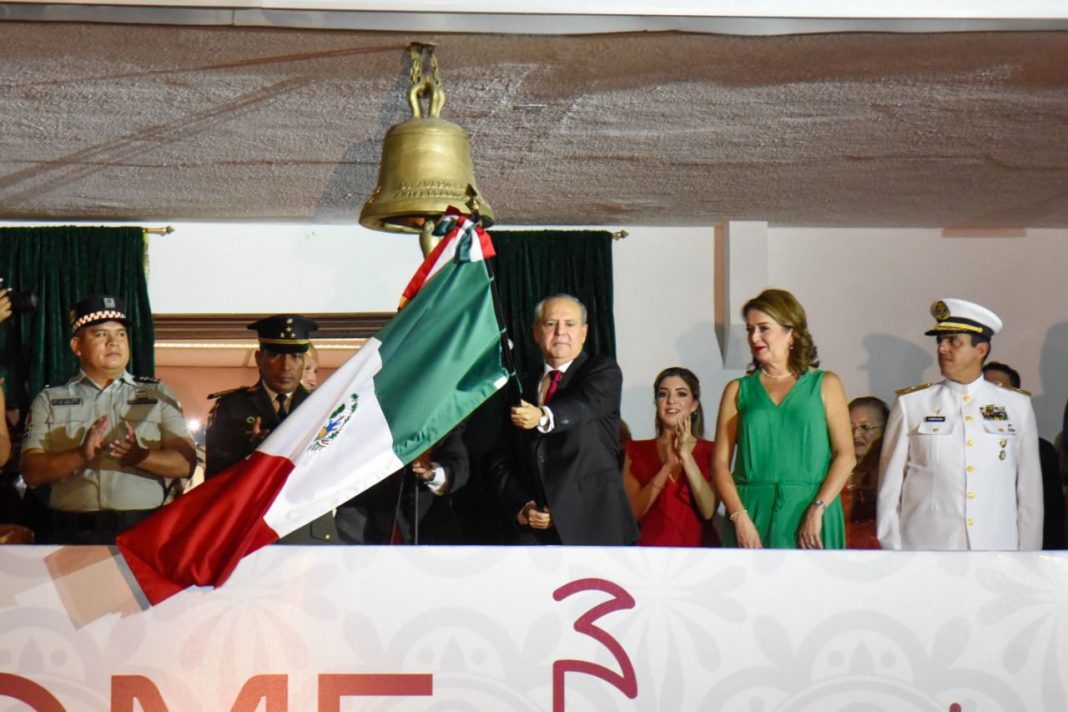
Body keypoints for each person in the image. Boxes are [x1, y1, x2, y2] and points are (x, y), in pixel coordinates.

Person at [20, 295, 196, 544]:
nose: (114, 342)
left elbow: (186, 463)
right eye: (101, 334)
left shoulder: (158, 395)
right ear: (77, 346)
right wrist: (80, 455)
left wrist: (140, 456)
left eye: (121, 334)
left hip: (141, 532)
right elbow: (32, 472)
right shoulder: (49, 399)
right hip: (71, 536)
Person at [877, 299, 1043, 551]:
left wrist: (1027, 556)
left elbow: (1029, 490)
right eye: (940, 341)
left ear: (981, 350)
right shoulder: (912, 404)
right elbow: (889, 489)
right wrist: (894, 552)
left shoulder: (1015, 405)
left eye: (953, 341)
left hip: (995, 549)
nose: (942, 348)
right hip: (927, 549)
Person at [712, 288, 854, 549]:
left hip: (812, 513)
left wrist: (818, 508)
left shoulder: (826, 384)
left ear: (792, 333)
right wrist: (739, 517)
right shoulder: (738, 389)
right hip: (751, 514)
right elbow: (720, 464)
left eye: (763, 328)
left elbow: (846, 456)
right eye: (750, 330)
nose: (754, 337)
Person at [491, 294, 638, 545]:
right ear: (536, 332)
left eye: (570, 324)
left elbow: (583, 406)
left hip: (594, 529)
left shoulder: (602, 372)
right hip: (536, 536)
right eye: (551, 324)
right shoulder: (520, 386)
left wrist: (542, 416)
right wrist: (524, 506)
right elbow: (502, 457)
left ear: (584, 332)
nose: (560, 332)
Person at [205, 314, 338, 544]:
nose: (286, 366)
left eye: (295, 356)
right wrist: (252, 455)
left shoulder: (324, 407)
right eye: (276, 355)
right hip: (248, 527)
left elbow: (334, 469)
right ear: (259, 358)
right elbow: (214, 477)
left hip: (305, 527)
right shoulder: (232, 406)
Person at [623, 367, 718, 547]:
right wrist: (666, 467)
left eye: (681, 394)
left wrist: (686, 457)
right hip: (650, 552)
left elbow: (708, 511)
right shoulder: (636, 450)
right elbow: (632, 514)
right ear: (656, 403)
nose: (671, 401)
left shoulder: (711, 451)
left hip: (700, 552)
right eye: (663, 394)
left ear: (694, 405)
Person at [983, 361, 1064, 549]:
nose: (990, 396)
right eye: (984, 387)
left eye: (999, 388)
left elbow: (1051, 516)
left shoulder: (1041, 451)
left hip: (1011, 546)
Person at [843, 396, 888, 549]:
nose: (856, 435)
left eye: (865, 427)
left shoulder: (890, 472)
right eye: (849, 427)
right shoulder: (832, 468)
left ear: (885, 430)